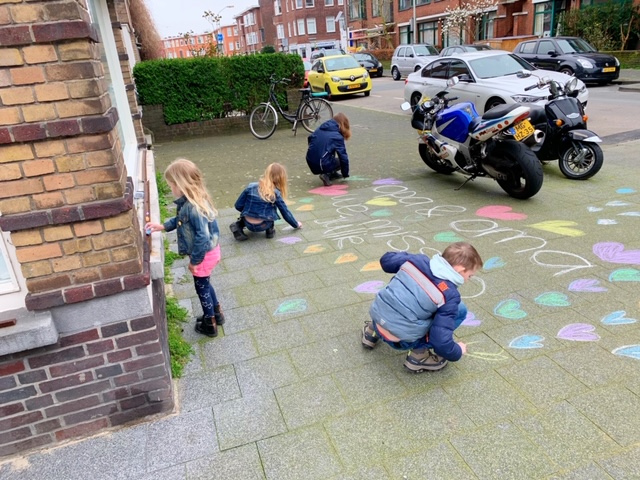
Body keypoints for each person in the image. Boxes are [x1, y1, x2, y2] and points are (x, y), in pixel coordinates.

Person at [362, 242, 483, 373]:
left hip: (377, 317)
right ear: (460, 269)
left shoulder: (416, 261)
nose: (468, 279)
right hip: (402, 341)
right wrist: (457, 351)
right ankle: (418, 355)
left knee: (401, 293)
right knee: (460, 310)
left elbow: (386, 261)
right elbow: (440, 341)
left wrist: (409, 258)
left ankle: (371, 332)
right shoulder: (449, 295)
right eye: (469, 275)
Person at [145, 158, 224, 338]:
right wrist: (163, 226)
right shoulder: (194, 200)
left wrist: (195, 262)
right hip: (210, 252)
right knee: (205, 283)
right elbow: (181, 221)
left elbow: (202, 237)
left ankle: (209, 322)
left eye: (172, 185)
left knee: (201, 287)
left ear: (181, 184)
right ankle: (217, 313)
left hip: (203, 255)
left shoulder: (193, 207)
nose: (171, 189)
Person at [230, 162, 302, 241]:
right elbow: (285, 212)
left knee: (249, 209)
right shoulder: (276, 193)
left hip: (248, 223)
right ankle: (269, 231)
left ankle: (239, 225)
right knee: (272, 208)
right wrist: (296, 224)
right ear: (282, 178)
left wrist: (250, 211)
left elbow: (238, 205)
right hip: (264, 224)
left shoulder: (251, 186)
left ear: (266, 173)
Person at [306, 112, 351, 187]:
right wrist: (345, 174)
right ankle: (326, 174)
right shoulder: (337, 136)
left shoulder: (320, 129)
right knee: (340, 162)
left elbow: (310, 138)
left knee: (329, 151)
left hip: (310, 161)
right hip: (321, 163)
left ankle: (332, 173)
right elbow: (343, 157)